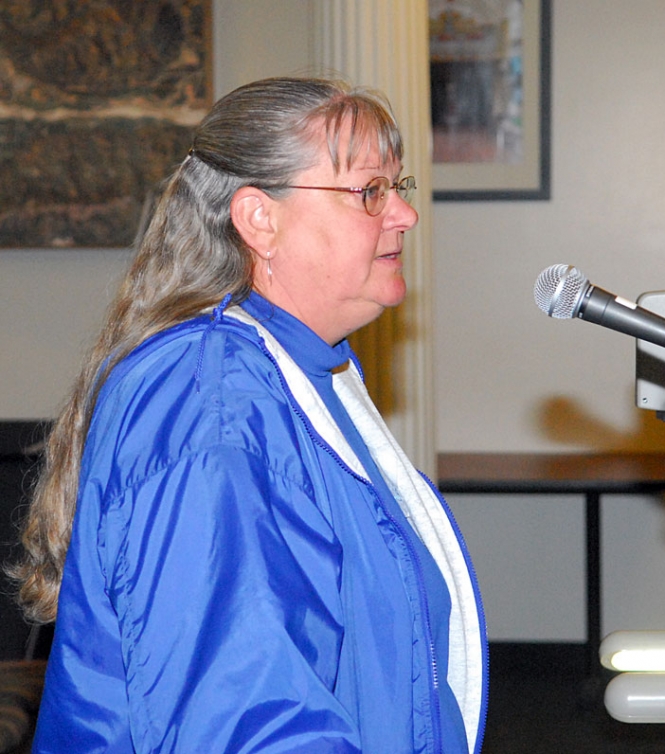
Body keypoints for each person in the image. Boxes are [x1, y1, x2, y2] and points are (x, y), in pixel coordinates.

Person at [12, 76, 488, 753]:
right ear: (260, 219)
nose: (404, 214)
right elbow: (240, 720)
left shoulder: (294, 372)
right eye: (369, 192)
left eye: (396, 188)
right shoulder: (212, 402)